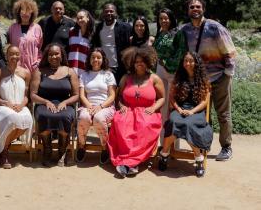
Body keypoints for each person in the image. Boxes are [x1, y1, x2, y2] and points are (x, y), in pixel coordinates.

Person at [181, 0, 236, 161]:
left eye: (198, 6)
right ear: (188, 10)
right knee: (204, 114)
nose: (195, 9)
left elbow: (230, 52)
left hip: (220, 77)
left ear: (203, 9)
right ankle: (205, 143)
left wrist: (227, 75)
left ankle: (226, 147)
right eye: (192, 7)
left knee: (223, 114)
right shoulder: (185, 30)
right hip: (200, 80)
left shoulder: (215, 27)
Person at [107, 47, 165, 178]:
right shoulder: (126, 77)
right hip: (128, 110)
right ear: (132, 62)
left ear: (148, 62)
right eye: (137, 61)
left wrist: (154, 108)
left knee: (143, 127)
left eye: (142, 61)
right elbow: (119, 96)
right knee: (119, 122)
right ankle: (130, 163)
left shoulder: (154, 78)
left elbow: (162, 98)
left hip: (148, 112)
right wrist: (121, 105)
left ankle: (129, 163)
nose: (139, 63)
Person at [158, 52, 213, 177]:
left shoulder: (204, 80)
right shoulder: (179, 77)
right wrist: (178, 109)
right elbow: (171, 98)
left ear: (196, 62)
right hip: (180, 109)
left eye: (190, 61)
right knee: (173, 122)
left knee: (188, 124)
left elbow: (205, 101)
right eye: (185, 61)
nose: (187, 63)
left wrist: (192, 111)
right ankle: (164, 154)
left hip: (197, 111)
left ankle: (198, 158)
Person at [30, 43, 79, 167]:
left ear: (62, 55)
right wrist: (46, 102)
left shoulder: (70, 71)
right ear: (47, 56)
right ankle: (47, 150)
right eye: (50, 54)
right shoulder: (39, 71)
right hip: (44, 103)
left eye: (56, 54)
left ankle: (62, 150)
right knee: (43, 115)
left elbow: (76, 95)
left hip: (65, 104)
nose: (53, 56)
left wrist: (65, 102)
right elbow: (33, 95)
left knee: (65, 116)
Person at [0, 46, 33, 169]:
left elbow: (26, 97)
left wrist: (21, 105)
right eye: (11, 54)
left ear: (20, 55)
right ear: (6, 56)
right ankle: (4, 154)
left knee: (28, 120)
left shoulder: (26, 73)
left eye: (17, 54)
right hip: (3, 106)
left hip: (19, 106)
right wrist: (6, 103)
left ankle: (2, 148)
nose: (14, 57)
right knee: (12, 117)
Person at [76, 48, 116, 164]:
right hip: (88, 106)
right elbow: (82, 95)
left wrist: (100, 106)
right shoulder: (84, 75)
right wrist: (90, 106)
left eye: (98, 57)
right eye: (93, 57)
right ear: (89, 59)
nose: (96, 60)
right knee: (83, 117)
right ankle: (81, 145)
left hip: (105, 106)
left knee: (99, 118)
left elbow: (112, 96)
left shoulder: (108, 74)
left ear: (103, 59)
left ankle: (104, 148)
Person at [153, 8, 187, 139]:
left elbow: (181, 53)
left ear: (171, 19)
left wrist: (167, 64)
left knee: (173, 105)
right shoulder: (160, 33)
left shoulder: (178, 33)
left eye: (166, 18)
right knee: (162, 104)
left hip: (173, 71)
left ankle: (173, 143)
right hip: (160, 71)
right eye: (161, 18)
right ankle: (162, 140)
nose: (163, 21)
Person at [91, 3, 132, 84]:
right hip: (103, 67)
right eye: (106, 11)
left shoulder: (125, 27)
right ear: (103, 13)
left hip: (119, 67)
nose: (109, 13)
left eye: (111, 11)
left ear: (116, 13)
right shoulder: (98, 27)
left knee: (119, 91)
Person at [8, 0, 42, 72]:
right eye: (22, 11)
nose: (25, 14)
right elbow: (10, 46)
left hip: (33, 67)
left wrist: (38, 62)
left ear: (32, 13)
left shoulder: (37, 28)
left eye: (28, 11)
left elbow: (40, 48)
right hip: (16, 67)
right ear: (18, 12)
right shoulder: (12, 27)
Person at [68, 9, 95, 75]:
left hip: (86, 70)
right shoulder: (72, 31)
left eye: (81, 18)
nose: (79, 20)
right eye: (77, 18)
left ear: (87, 18)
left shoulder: (93, 34)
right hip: (71, 68)